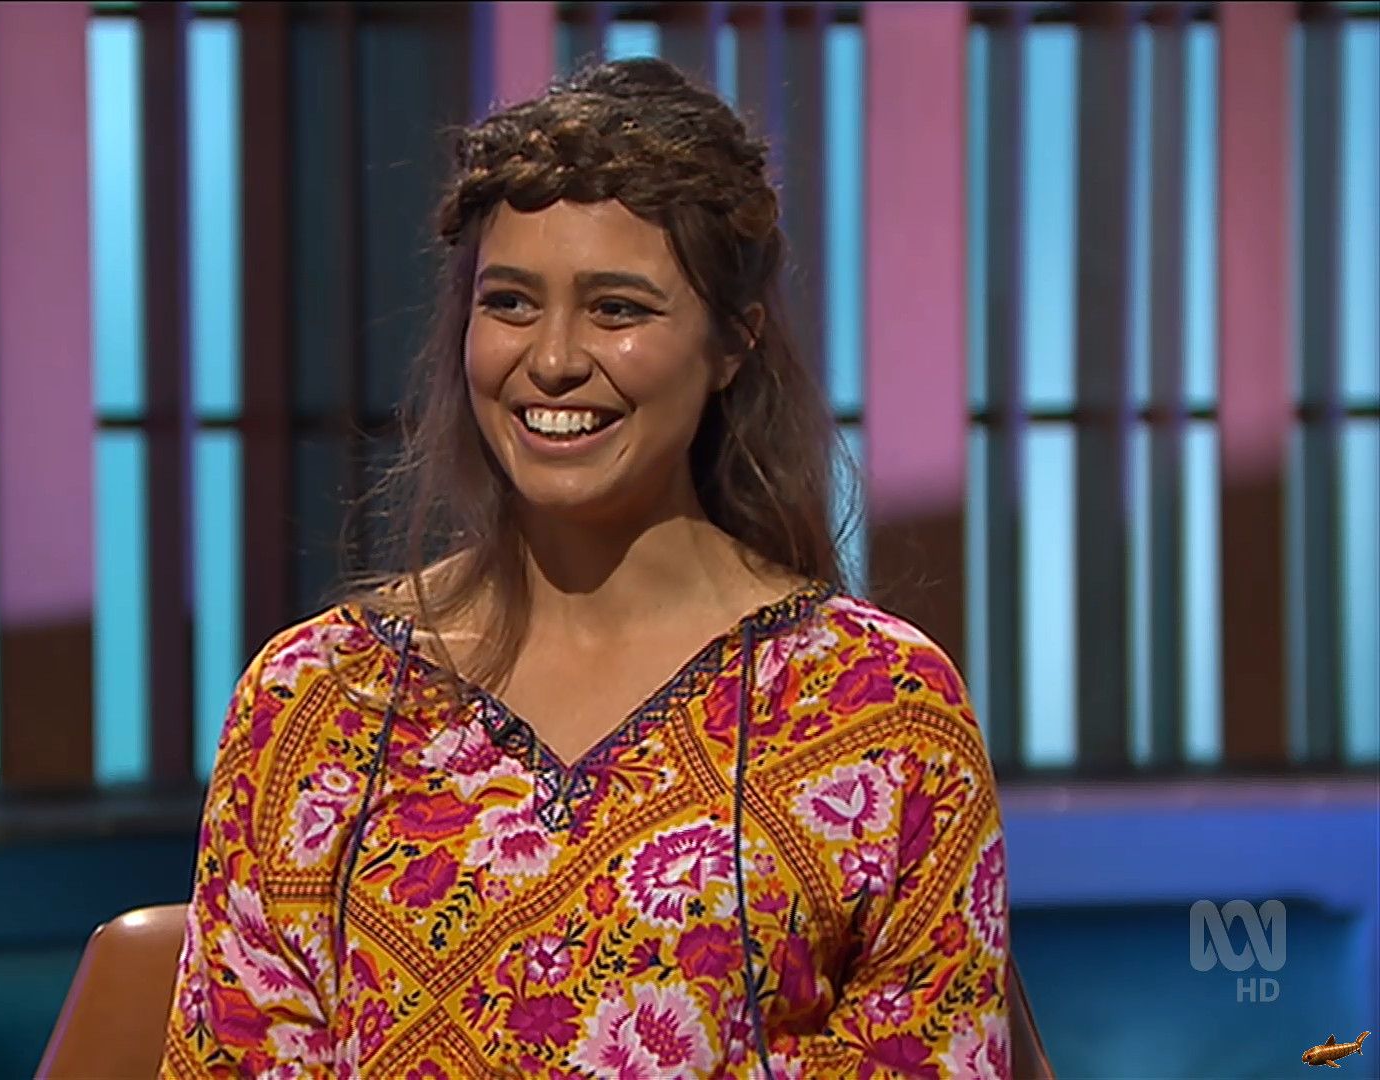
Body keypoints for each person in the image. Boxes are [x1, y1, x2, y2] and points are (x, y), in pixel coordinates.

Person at [159, 57, 1010, 1079]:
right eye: (511, 303)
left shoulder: (875, 707)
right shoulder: (317, 699)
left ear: (732, 344)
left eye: (617, 309)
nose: (554, 360)